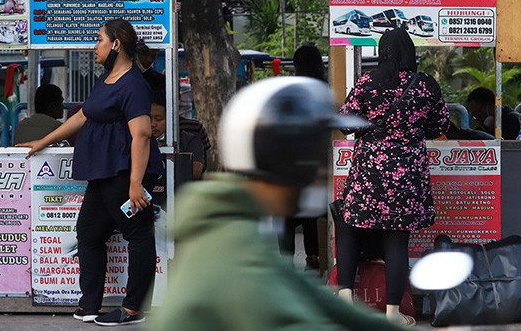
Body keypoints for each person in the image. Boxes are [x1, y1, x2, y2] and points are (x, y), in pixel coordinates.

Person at [151, 77, 402, 331]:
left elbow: (316, 298)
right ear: (289, 159)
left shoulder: (235, 226)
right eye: (315, 154)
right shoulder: (240, 264)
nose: (323, 170)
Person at [19, 18, 162, 326]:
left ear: (116, 44)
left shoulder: (134, 83)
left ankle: (134, 309)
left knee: (137, 235)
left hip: (124, 169)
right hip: (103, 170)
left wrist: (136, 183)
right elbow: (83, 115)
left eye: (98, 40)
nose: (93, 46)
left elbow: (141, 134)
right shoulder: (106, 78)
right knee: (89, 232)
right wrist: (43, 141)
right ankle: (91, 304)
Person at [337, 28, 450, 327]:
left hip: (370, 169)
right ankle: (392, 314)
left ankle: (345, 300)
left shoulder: (368, 82)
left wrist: (369, 127)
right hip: (407, 173)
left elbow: (344, 123)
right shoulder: (425, 85)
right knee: (397, 240)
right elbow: (440, 123)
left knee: (350, 226)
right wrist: (410, 132)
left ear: (383, 51)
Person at [280, 43, 326, 270]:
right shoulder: (327, 88)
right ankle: (314, 256)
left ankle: (286, 261)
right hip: (318, 158)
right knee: (313, 210)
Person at [149, 91, 206, 181]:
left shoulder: (190, 140)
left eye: (158, 119)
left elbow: (195, 172)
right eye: (148, 119)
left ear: (171, 118)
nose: (153, 124)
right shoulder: (140, 140)